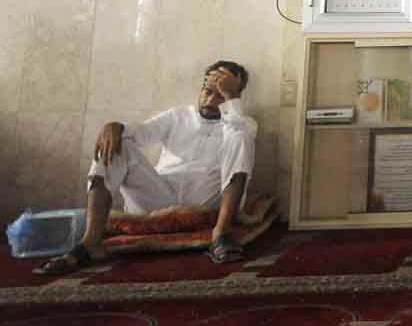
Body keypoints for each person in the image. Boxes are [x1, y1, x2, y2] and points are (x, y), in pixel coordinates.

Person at [36, 60, 257, 274]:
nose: (210, 99)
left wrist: (232, 98)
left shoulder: (243, 123)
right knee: (114, 141)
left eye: (220, 94)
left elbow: (238, 130)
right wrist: (116, 127)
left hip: (206, 198)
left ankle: (221, 234)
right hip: (158, 197)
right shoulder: (179, 116)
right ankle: (91, 241)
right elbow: (140, 132)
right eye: (207, 91)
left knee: (240, 138)